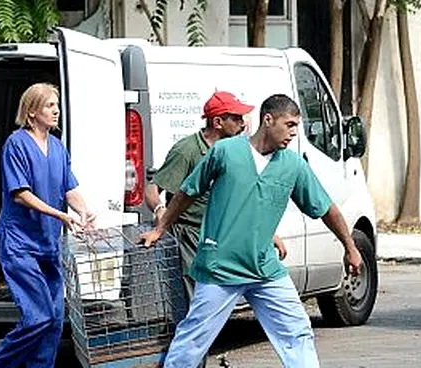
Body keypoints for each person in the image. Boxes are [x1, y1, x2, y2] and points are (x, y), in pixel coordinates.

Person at [139, 93, 362, 368]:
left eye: (296, 126)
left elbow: (328, 209)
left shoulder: (292, 165)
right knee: (192, 339)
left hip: (264, 268)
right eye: (289, 124)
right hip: (221, 267)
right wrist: (160, 228)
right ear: (268, 120)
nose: (294, 132)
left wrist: (350, 247)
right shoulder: (225, 152)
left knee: (297, 332)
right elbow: (186, 192)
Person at [0, 83, 96, 368]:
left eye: (56, 105)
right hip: (19, 244)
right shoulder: (16, 144)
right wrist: (60, 216)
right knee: (38, 317)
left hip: (47, 245)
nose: (56, 110)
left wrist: (84, 211)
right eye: (50, 105)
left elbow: (68, 188)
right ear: (32, 112)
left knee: (54, 322)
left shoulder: (57, 147)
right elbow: (20, 194)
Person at [143, 90, 288, 301]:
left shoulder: (237, 152)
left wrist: (269, 235)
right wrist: (159, 212)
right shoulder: (188, 150)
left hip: (222, 237)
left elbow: (241, 202)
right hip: (190, 236)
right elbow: (152, 189)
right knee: (198, 302)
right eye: (236, 118)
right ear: (218, 122)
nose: (243, 124)